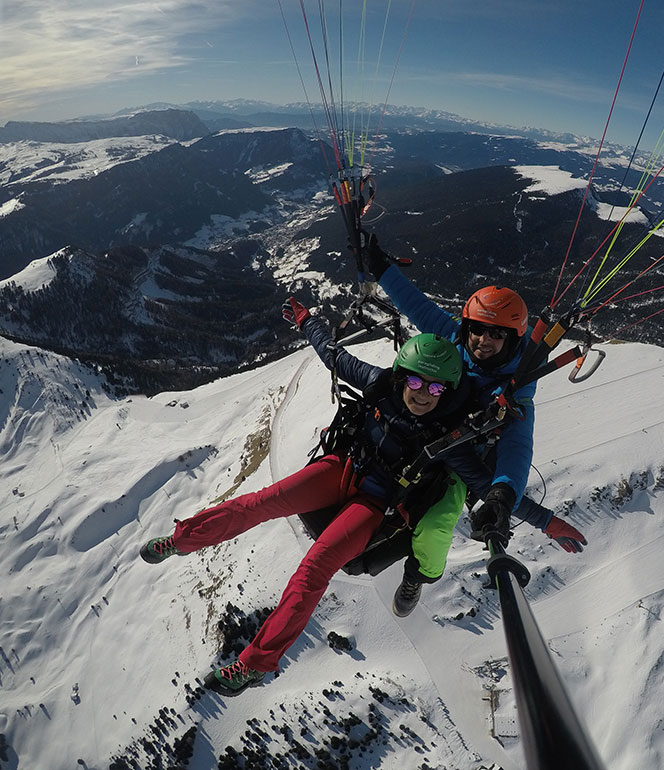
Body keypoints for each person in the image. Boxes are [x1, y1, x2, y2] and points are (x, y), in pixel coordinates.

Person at [139, 299, 481, 695]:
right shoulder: (379, 384)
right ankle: (182, 541)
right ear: (402, 377)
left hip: (372, 507)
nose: (423, 394)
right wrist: (307, 321)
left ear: (448, 391)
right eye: (417, 382)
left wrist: (535, 518)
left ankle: (254, 664)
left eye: (436, 387)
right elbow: (333, 356)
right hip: (343, 468)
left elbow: (487, 484)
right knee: (262, 502)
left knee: (313, 570)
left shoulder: (451, 436)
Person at [359, 236, 588, 552]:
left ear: (512, 340)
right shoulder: (457, 338)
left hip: (462, 454)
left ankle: (418, 575)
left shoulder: (517, 388)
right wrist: (382, 269)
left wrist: (506, 497)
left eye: (496, 334)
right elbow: (417, 306)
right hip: (424, 432)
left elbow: (517, 446)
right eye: (477, 330)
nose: (483, 340)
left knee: (434, 521)